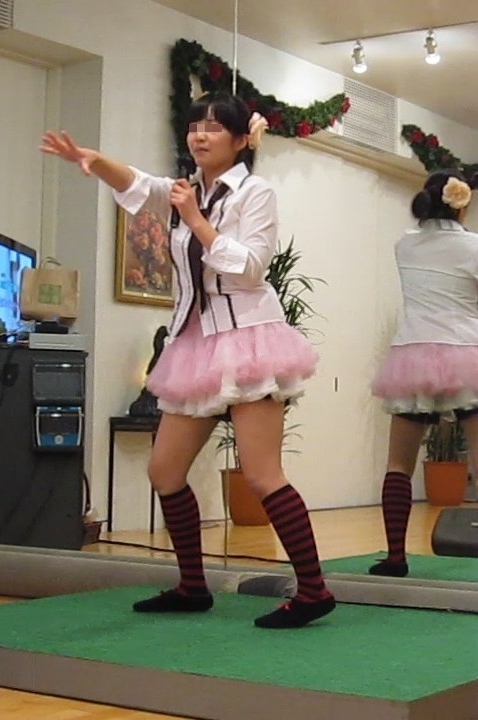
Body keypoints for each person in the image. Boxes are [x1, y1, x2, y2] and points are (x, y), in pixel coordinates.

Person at [40, 92, 335, 629]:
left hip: (249, 338)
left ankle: (314, 591)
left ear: (241, 139)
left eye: (214, 127)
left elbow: (251, 268)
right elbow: (140, 185)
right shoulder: (186, 190)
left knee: (263, 475)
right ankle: (192, 587)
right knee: (165, 470)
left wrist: (197, 221)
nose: (200, 135)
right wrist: (92, 159)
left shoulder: (255, 192)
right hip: (195, 344)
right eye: (195, 125)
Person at [370, 168, 478, 577]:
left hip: (413, 353)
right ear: (462, 203)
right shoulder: (473, 246)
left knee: (398, 463)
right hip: (467, 351)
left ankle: (395, 557)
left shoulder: (405, 244)